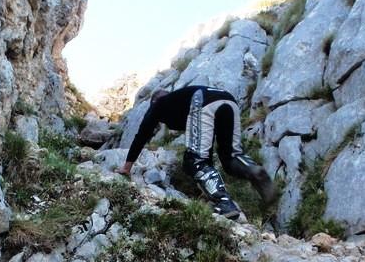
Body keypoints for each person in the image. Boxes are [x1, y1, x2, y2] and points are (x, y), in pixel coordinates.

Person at [117, 85, 276, 219]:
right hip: (229, 100)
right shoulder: (179, 100)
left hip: (202, 101)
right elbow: (206, 146)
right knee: (230, 157)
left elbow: (141, 135)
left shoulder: (158, 104)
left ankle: (225, 203)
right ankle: (255, 170)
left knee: (193, 161)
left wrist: (126, 167)